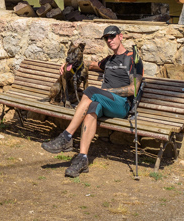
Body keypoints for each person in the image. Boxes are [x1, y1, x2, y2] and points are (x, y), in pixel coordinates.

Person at [41, 25, 143, 177]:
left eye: (112, 36)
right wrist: (68, 65)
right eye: (106, 38)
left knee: (90, 91)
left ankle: (67, 136)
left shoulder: (132, 59)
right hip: (103, 102)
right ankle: (82, 158)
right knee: (92, 108)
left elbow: (133, 89)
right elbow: (89, 64)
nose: (109, 40)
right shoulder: (108, 60)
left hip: (121, 105)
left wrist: (107, 92)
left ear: (120, 37)